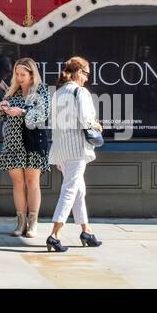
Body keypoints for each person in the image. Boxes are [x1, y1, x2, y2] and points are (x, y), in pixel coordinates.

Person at [46, 56, 102, 252]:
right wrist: (97, 125)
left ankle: (87, 231)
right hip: (77, 148)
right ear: (78, 72)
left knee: (79, 189)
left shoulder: (58, 92)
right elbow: (87, 120)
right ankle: (54, 235)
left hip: (61, 148)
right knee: (70, 190)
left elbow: (53, 123)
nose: (87, 78)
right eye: (86, 74)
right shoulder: (81, 92)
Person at [0, 57, 50, 238]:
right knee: (18, 183)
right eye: (17, 74)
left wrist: (23, 111)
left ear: (32, 74)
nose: (19, 78)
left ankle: (33, 223)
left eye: (23, 74)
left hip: (33, 141)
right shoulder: (12, 92)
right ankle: (20, 222)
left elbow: (43, 113)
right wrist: (2, 107)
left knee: (32, 182)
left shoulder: (40, 90)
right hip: (13, 142)